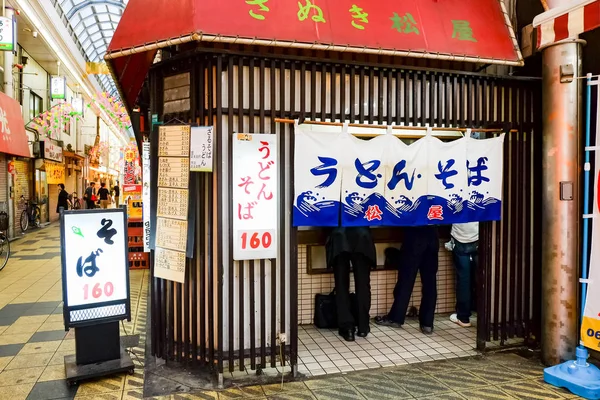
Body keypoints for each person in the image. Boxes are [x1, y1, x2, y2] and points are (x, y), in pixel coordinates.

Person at [375, 226, 439, 334]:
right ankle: (427, 323)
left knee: (406, 279)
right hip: (433, 236)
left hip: (414, 235)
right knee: (430, 283)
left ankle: (396, 318)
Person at [326, 227, 376, 341]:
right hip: (362, 236)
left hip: (339, 236)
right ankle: (363, 326)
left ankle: (347, 328)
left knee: (341, 284)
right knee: (363, 283)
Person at [449, 222, 479, 327]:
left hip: (460, 237)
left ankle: (463, 317)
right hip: (479, 237)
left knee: (463, 279)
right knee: (483, 278)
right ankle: (486, 315)